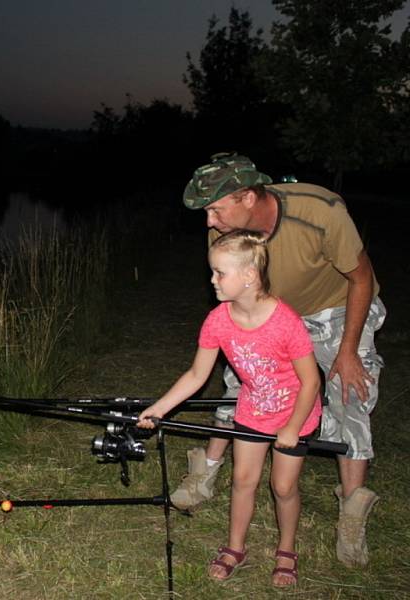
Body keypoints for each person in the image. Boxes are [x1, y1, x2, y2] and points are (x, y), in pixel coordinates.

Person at [171, 153, 385, 568]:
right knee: (242, 383)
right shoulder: (224, 232)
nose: (209, 221)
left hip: (335, 308)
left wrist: (346, 351)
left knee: (350, 390)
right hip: (273, 310)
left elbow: (360, 278)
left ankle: (352, 513)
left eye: (215, 208)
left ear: (248, 197)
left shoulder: (320, 211)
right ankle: (207, 471)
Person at [138, 229, 322, 586]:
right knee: (243, 480)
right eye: (213, 271)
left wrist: (292, 427)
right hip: (252, 409)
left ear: (250, 275)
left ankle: (286, 549)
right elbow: (196, 375)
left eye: (220, 272)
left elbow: (311, 381)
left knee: (283, 486)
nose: (212, 280)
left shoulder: (286, 322)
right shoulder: (218, 320)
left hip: (294, 413)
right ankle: (236, 546)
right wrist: (158, 409)